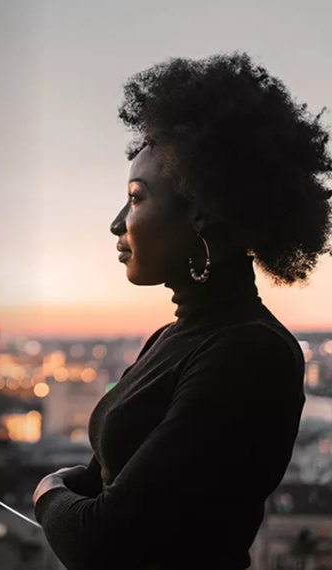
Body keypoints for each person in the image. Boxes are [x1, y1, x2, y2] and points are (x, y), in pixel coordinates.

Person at [32, 52, 332, 570]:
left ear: (200, 213)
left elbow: (103, 542)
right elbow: (111, 477)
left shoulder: (248, 352)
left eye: (136, 198)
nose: (117, 223)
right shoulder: (172, 338)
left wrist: (46, 494)